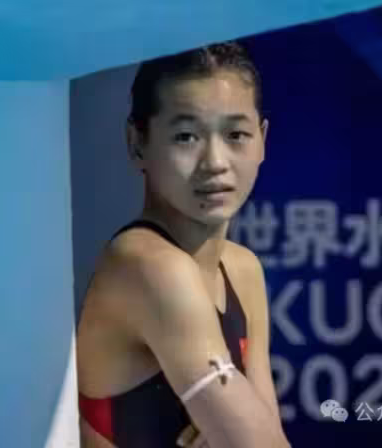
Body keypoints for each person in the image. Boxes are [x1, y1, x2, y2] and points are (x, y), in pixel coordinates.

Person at [76, 41, 290, 448]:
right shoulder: (147, 265)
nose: (216, 162)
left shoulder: (243, 270)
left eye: (236, 134)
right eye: (186, 136)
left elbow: (267, 436)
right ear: (137, 142)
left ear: (262, 140)